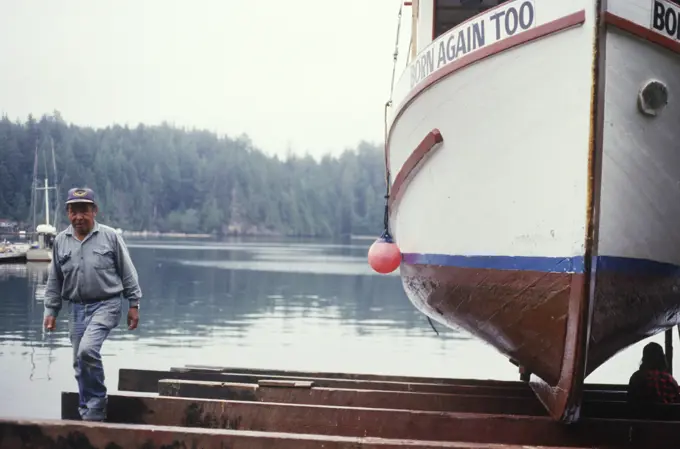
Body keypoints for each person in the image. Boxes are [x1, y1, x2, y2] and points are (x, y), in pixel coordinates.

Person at [43, 187, 142, 421]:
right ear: (67, 212)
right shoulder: (60, 241)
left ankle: (97, 404)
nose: (78, 217)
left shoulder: (110, 237)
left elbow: (128, 272)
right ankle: (86, 407)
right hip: (76, 308)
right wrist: (51, 310)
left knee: (88, 350)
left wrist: (134, 304)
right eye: (73, 211)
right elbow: (55, 278)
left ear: (94, 211)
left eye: (83, 211)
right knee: (79, 361)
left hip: (106, 304)